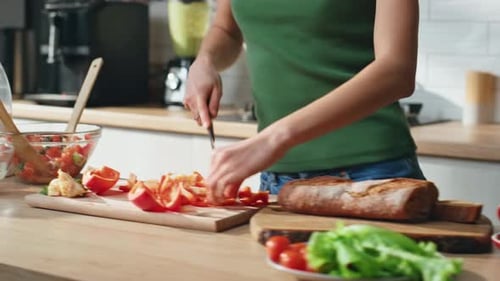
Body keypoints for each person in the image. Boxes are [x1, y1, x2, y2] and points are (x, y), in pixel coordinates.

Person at [183, 0, 424, 205]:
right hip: (278, 179)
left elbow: (397, 71)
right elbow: (226, 29)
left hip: (371, 175)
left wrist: (275, 139)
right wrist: (205, 60)